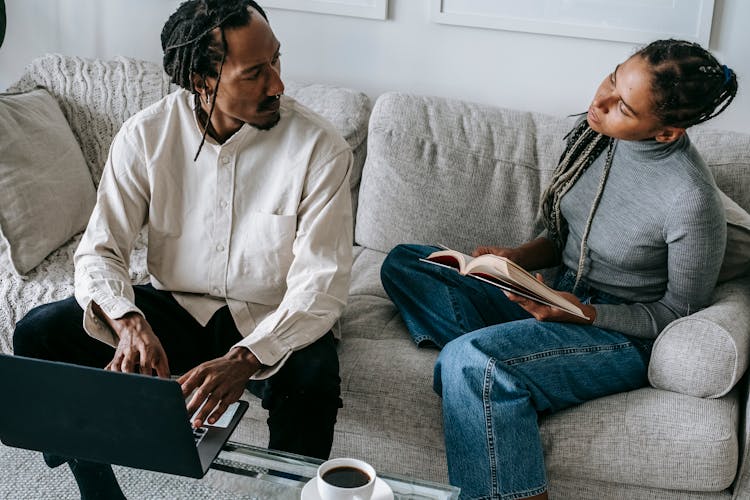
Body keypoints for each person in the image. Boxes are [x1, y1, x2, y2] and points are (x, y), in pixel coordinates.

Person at [13, 1, 353, 498]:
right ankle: (97, 484)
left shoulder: (320, 149)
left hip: (269, 314)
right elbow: (98, 250)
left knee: (314, 378)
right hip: (174, 304)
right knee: (38, 334)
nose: (278, 84)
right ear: (202, 81)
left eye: (276, 62)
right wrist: (128, 321)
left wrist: (244, 359)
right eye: (255, 72)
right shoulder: (145, 134)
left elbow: (320, 286)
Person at [380, 39, 738, 500]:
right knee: (409, 263)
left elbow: (676, 315)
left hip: (619, 334)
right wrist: (515, 259)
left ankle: (493, 376)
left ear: (666, 132)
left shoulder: (691, 201)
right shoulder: (593, 138)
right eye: (612, 77)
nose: (600, 102)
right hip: (551, 296)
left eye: (623, 106)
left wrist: (584, 314)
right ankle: (515, 382)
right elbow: (560, 238)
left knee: (473, 363)